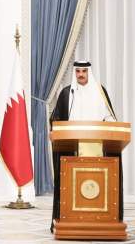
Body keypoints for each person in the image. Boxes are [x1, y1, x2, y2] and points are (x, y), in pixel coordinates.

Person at [49, 61, 121, 232]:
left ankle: (101, 219)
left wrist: (113, 128)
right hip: (71, 149)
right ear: (75, 73)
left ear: (89, 72)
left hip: (98, 147)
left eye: (84, 71)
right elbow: (56, 119)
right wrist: (55, 128)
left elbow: (109, 117)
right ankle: (68, 218)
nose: (81, 74)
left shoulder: (100, 92)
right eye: (78, 71)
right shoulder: (67, 93)